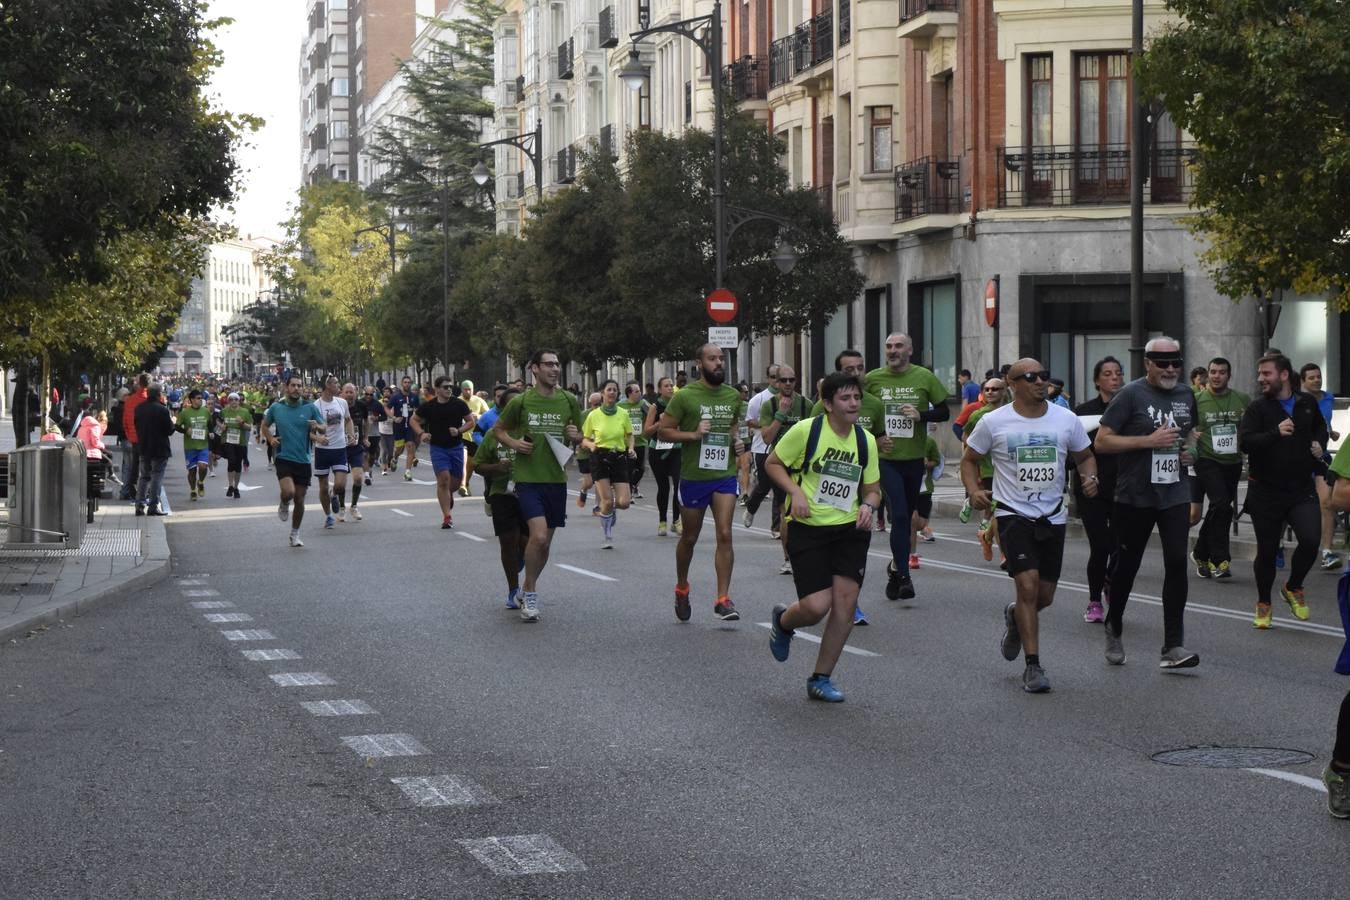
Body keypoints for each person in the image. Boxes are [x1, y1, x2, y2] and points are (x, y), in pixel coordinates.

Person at [963, 358, 1096, 693]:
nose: (1040, 382)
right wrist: (974, 489)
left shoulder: (1066, 419)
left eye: (1044, 376)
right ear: (1012, 383)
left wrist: (1089, 476)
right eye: (1031, 377)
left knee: (1044, 596)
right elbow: (969, 459)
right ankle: (1033, 667)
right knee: (1027, 585)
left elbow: (1084, 455)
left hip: (1053, 514)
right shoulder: (994, 422)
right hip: (1012, 513)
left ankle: (1015, 616)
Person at [765, 372, 882, 702]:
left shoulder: (865, 441)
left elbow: (872, 490)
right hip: (808, 528)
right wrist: (795, 493)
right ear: (828, 404)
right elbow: (773, 464)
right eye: (845, 399)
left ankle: (820, 678)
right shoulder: (807, 430)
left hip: (849, 531)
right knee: (816, 607)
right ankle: (784, 622)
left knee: (844, 606)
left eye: (857, 398)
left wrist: (869, 508)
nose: (854, 403)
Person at [1094, 336, 1200, 669]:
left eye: (1176, 363)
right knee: (1127, 566)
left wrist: (1190, 452)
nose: (1171, 369)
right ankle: (1114, 624)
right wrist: (1147, 441)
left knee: (1176, 563)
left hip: (1174, 493)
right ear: (1148, 364)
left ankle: (1172, 646)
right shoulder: (1131, 394)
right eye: (1163, 363)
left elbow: (1192, 432)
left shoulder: (1186, 394)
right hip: (1135, 496)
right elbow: (1102, 441)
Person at [492, 350, 585, 622]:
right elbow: (498, 430)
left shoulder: (569, 400)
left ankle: (526, 586)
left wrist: (575, 436)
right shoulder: (521, 402)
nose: (554, 369)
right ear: (534, 368)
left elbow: (579, 437)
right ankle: (530, 593)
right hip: (528, 479)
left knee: (545, 546)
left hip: (556, 479)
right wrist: (514, 443)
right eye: (548, 364)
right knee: (539, 536)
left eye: (557, 364)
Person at [659, 343, 747, 622]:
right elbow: (663, 432)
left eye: (721, 358)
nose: (719, 363)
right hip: (695, 476)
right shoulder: (684, 397)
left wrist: (736, 442)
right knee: (690, 537)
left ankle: (723, 598)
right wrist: (694, 435)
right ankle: (682, 587)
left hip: (723, 474)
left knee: (725, 533)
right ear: (699, 364)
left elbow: (733, 427)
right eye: (712, 359)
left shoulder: (733, 396)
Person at [1239, 354, 1327, 628]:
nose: (1260, 379)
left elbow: (1320, 430)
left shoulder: (1307, 403)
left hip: (1301, 488)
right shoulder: (1257, 408)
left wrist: (1319, 444)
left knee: (1312, 541)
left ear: (1284, 375)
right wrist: (1275, 433)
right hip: (1265, 491)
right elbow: (1246, 443)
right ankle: (1264, 602)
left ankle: (1293, 587)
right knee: (1266, 551)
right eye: (1260, 374)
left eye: (1266, 374)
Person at [865, 332, 950, 601]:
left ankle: (894, 566)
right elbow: (862, 413)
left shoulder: (924, 377)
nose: (892, 350)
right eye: (888, 346)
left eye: (898, 346)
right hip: (885, 461)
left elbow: (944, 411)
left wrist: (920, 415)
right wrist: (877, 439)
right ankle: (904, 576)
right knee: (900, 515)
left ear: (910, 350)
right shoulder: (872, 379)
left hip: (913, 462)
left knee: (909, 519)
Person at [808, 349, 891, 625]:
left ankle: (850, 603)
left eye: (859, 368)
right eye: (848, 369)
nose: (855, 373)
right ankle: (832, 597)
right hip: (827, 488)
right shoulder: (822, 407)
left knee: (853, 551)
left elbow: (878, 438)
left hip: (861, 483)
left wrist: (880, 445)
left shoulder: (875, 404)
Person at [1072, 356, 1124, 622]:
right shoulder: (1082, 412)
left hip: (1124, 488)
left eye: (1118, 373)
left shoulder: (1131, 408)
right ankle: (1094, 601)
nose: (1114, 377)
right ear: (1096, 380)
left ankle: (1109, 581)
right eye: (1107, 373)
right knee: (1100, 545)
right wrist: (1085, 478)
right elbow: (1073, 454)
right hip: (1091, 488)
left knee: (1119, 546)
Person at [1191, 357, 1249, 579]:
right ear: (1208, 375)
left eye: (1221, 372)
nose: (1216, 376)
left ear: (1228, 375)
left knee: (1220, 508)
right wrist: (1190, 438)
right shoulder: (1196, 399)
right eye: (1213, 372)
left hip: (1232, 462)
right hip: (1206, 459)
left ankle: (1200, 552)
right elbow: (1185, 426)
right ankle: (1220, 560)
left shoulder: (1242, 399)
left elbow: (1249, 429)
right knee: (1221, 504)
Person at [473, 386, 529, 609]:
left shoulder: (531, 431)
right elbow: (477, 466)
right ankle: (513, 590)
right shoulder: (492, 434)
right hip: (501, 493)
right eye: (512, 404)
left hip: (529, 491)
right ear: (504, 408)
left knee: (527, 542)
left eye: (521, 404)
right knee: (508, 541)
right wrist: (497, 467)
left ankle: (523, 558)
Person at [753, 365, 812, 572]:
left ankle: (806, 553)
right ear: (776, 382)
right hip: (780, 464)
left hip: (804, 466)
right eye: (783, 380)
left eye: (791, 380)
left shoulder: (807, 405)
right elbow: (767, 437)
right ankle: (788, 559)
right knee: (786, 510)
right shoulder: (769, 405)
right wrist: (781, 414)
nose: (788, 384)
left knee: (806, 511)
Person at [261, 374, 327, 547]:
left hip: (303, 459)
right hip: (283, 456)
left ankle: (295, 533)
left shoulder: (310, 407)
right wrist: (270, 439)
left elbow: (323, 427)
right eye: (293, 385)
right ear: (286, 387)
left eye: (299, 386)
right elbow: (264, 426)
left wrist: (317, 426)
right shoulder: (276, 407)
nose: (297, 389)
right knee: (289, 492)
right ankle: (283, 502)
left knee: (299, 499)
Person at [412, 375, 474, 529]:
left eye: (450, 387)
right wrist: (421, 433)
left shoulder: (458, 404)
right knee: (443, 480)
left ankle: (448, 494)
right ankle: (447, 517)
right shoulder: (429, 406)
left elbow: (471, 421)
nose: (449, 389)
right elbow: (413, 420)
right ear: (437, 389)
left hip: (456, 447)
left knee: (456, 482)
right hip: (438, 448)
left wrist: (459, 430)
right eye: (445, 387)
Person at [581, 379, 635, 549]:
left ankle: (611, 510)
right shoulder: (593, 415)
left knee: (624, 502)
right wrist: (591, 445)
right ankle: (608, 536)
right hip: (599, 457)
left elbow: (629, 434)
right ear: (603, 393)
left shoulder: (623, 414)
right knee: (606, 500)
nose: (612, 392)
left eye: (614, 390)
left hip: (618, 456)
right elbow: (584, 439)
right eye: (609, 389)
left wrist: (631, 448)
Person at [1300, 363, 1342, 569]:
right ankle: (1277, 544)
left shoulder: (1328, 398)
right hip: (1298, 460)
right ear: (1303, 382)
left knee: (1327, 503)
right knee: (1286, 504)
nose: (1316, 380)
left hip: (1321, 458)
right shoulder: (1296, 401)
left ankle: (1327, 552)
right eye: (1311, 377)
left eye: (1318, 376)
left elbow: (1322, 422)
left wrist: (1330, 432)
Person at [741, 364, 781, 532]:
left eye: (780, 377)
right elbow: (749, 420)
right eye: (773, 377)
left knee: (780, 488)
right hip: (762, 448)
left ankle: (777, 527)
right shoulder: (758, 399)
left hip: (782, 449)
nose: (777, 381)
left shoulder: (790, 399)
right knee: (764, 486)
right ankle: (751, 508)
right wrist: (769, 425)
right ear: (768, 379)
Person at [313, 375, 354, 529]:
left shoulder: (341, 402)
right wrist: (318, 439)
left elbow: (348, 420)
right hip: (322, 450)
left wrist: (350, 435)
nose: (339, 385)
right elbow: (308, 431)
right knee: (323, 486)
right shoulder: (315, 406)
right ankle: (328, 516)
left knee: (340, 484)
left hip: (339, 449)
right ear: (327, 385)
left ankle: (334, 494)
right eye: (336, 383)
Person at [644, 376, 682, 536]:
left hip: (676, 448)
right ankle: (662, 521)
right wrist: (661, 423)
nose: (670, 388)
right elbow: (647, 431)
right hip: (657, 450)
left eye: (671, 385)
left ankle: (676, 521)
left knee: (678, 485)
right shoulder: (655, 406)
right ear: (660, 389)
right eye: (666, 386)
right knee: (664, 487)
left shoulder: (679, 405)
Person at [134, 385, 174, 517]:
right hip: (159, 448)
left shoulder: (139, 408)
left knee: (144, 476)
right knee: (156, 476)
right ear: (158, 395)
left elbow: (136, 426)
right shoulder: (162, 409)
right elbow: (169, 430)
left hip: (144, 446)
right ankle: (153, 506)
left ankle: (139, 505)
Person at [909, 426, 942, 571]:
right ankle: (912, 554)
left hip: (924, 488)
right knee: (912, 519)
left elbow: (936, 460)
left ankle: (910, 537)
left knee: (921, 524)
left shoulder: (929, 442)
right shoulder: (903, 443)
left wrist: (927, 464)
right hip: (908, 487)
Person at [175, 389, 212, 501]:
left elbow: (210, 424)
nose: (201, 400)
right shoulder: (185, 413)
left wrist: (210, 432)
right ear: (192, 400)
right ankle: (192, 490)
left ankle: (200, 482)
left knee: (203, 466)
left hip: (203, 445)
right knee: (191, 471)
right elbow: (176, 427)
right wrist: (186, 430)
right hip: (190, 446)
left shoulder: (205, 411)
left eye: (201, 398)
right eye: (198, 398)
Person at [340, 383, 368, 519]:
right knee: (342, 482)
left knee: (357, 478)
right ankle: (341, 508)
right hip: (341, 448)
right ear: (341, 393)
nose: (349, 395)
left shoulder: (361, 406)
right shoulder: (337, 405)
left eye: (352, 392)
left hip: (356, 447)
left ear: (356, 393)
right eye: (347, 392)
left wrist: (366, 437)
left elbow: (366, 421)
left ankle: (354, 506)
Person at [618, 381, 649, 500]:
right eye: (637, 391)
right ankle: (629, 493)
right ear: (629, 394)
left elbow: (652, 414)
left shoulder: (643, 403)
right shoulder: (621, 405)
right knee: (629, 468)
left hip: (640, 441)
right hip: (626, 443)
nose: (640, 393)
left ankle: (633, 485)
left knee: (641, 469)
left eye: (640, 391)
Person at [121, 374, 150, 501]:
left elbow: (125, 421)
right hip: (147, 439)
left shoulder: (130, 400)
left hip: (133, 438)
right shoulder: (149, 398)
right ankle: (144, 494)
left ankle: (130, 492)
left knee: (132, 466)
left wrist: (129, 435)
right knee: (147, 468)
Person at [217, 393, 251, 499]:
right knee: (231, 461)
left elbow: (249, 427)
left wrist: (242, 423)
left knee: (237, 464)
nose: (233, 401)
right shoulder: (224, 411)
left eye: (236, 399)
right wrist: (221, 425)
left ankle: (236, 488)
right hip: (227, 441)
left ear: (239, 401)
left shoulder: (244, 412)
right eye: (231, 400)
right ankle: (230, 485)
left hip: (240, 442)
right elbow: (217, 419)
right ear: (228, 401)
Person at [458, 380, 489, 497]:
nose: (468, 391)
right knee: (464, 460)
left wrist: (479, 416)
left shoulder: (479, 400)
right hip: (462, 435)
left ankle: (466, 483)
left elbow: (488, 414)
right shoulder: (457, 401)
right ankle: (462, 485)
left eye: (470, 389)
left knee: (470, 464)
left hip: (475, 436)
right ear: (462, 390)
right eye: (465, 389)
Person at [390, 375, 420, 480]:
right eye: (405, 382)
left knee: (410, 446)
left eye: (409, 382)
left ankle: (407, 472)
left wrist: (418, 420)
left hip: (410, 427)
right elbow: (386, 407)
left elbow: (418, 410)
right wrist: (393, 417)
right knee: (399, 449)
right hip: (399, 426)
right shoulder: (395, 397)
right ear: (402, 384)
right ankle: (394, 458)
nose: (407, 384)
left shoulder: (414, 397)